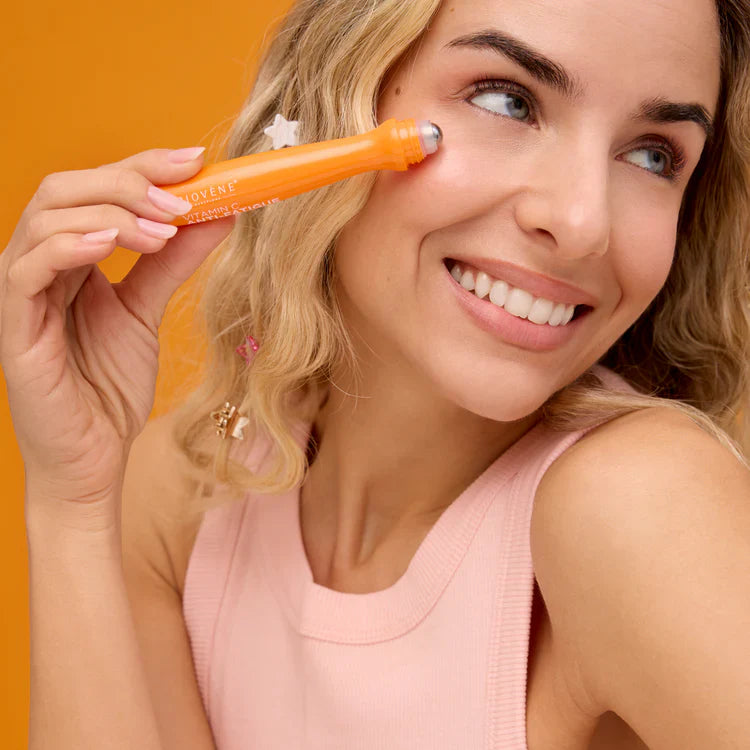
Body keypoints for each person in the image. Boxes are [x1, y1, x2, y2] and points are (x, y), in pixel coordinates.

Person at [3, 0, 750, 748]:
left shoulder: (641, 505)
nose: (584, 223)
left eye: (655, 156)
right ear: (333, 103)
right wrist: (72, 502)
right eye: (508, 101)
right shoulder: (184, 498)